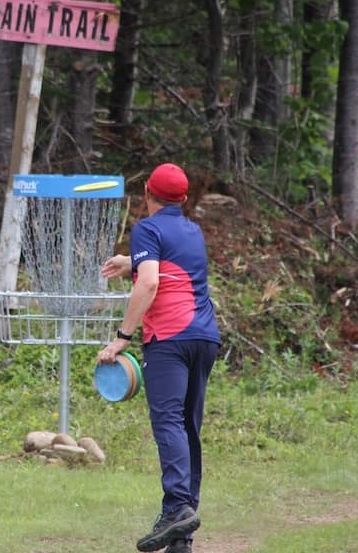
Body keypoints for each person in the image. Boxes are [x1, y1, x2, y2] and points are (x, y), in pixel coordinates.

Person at [96, 162, 221, 553]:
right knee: (188, 428)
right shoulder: (193, 230)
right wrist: (130, 261)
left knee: (168, 422)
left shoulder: (146, 228)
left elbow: (150, 282)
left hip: (169, 338)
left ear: (148, 194)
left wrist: (122, 337)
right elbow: (169, 266)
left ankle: (176, 508)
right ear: (182, 198)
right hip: (205, 336)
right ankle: (181, 537)